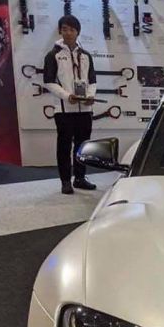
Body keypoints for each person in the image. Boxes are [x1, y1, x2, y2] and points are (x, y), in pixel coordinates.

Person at [42, 15, 97, 195]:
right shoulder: (53, 55)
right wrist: (67, 96)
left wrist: (90, 96)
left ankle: (80, 178)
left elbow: (92, 80)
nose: (68, 33)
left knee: (83, 146)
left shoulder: (86, 55)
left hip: (85, 110)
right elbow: (49, 82)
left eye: (72, 29)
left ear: (77, 32)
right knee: (64, 146)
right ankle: (65, 181)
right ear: (60, 31)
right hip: (64, 110)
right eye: (64, 29)